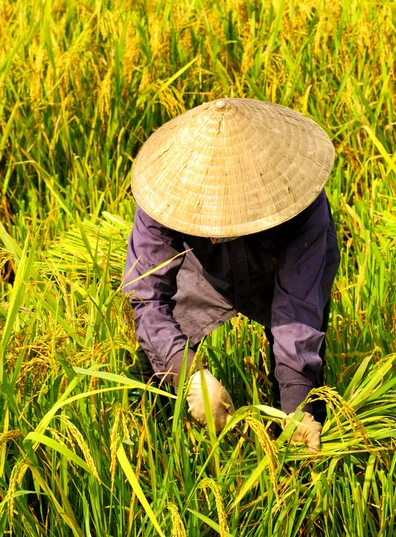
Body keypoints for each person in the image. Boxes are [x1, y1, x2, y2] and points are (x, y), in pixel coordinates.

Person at [122, 98, 340, 452]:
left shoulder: (301, 204)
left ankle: (298, 461)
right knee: (153, 382)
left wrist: (297, 407)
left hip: (274, 258)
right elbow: (148, 298)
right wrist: (189, 376)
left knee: (304, 389)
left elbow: (298, 310)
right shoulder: (164, 199)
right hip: (201, 272)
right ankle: (154, 444)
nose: (218, 229)